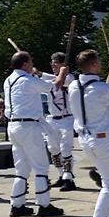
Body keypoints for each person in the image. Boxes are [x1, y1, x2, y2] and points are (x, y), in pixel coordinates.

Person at [69, 50, 109, 217]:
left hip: (84, 139)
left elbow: (105, 92)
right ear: (93, 65)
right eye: (98, 62)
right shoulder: (101, 88)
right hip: (102, 140)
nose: (100, 64)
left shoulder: (74, 86)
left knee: (108, 177)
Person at [4, 51, 67, 217]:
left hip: (13, 126)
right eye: (30, 61)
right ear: (25, 64)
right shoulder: (27, 80)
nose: (32, 64)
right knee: (40, 167)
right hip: (29, 126)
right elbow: (54, 86)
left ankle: (17, 204)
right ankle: (44, 204)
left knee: (21, 168)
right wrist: (62, 73)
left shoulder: (8, 80)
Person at [41, 52, 77, 192]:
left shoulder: (70, 78)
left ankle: (69, 178)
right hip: (52, 119)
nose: (52, 64)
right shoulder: (50, 79)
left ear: (63, 65)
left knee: (66, 148)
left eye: (55, 62)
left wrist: (41, 73)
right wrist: (38, 74)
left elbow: (62, 81)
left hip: (66, 118)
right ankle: (61, 175)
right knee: (53, 148)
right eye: (52, 62)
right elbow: (50, 81)